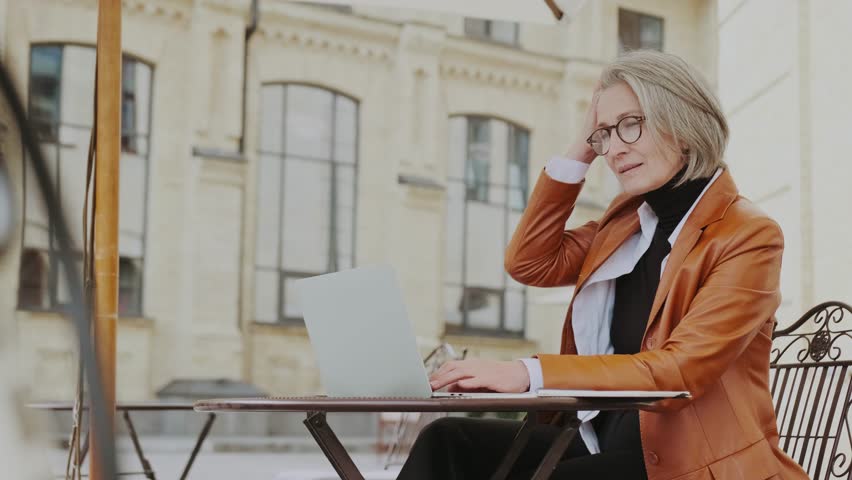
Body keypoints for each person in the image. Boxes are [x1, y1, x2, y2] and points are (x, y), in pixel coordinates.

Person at [396, 50, 810, 480]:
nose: (613, 149)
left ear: (684, 125)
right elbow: (529, 262)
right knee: (444, 441)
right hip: (601, 440)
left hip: (689, 462)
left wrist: (527, 373)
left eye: (631, 125)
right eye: (604, 134)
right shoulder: (628, 222)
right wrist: (580, 147)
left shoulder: (747, 235)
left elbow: (678, 371)